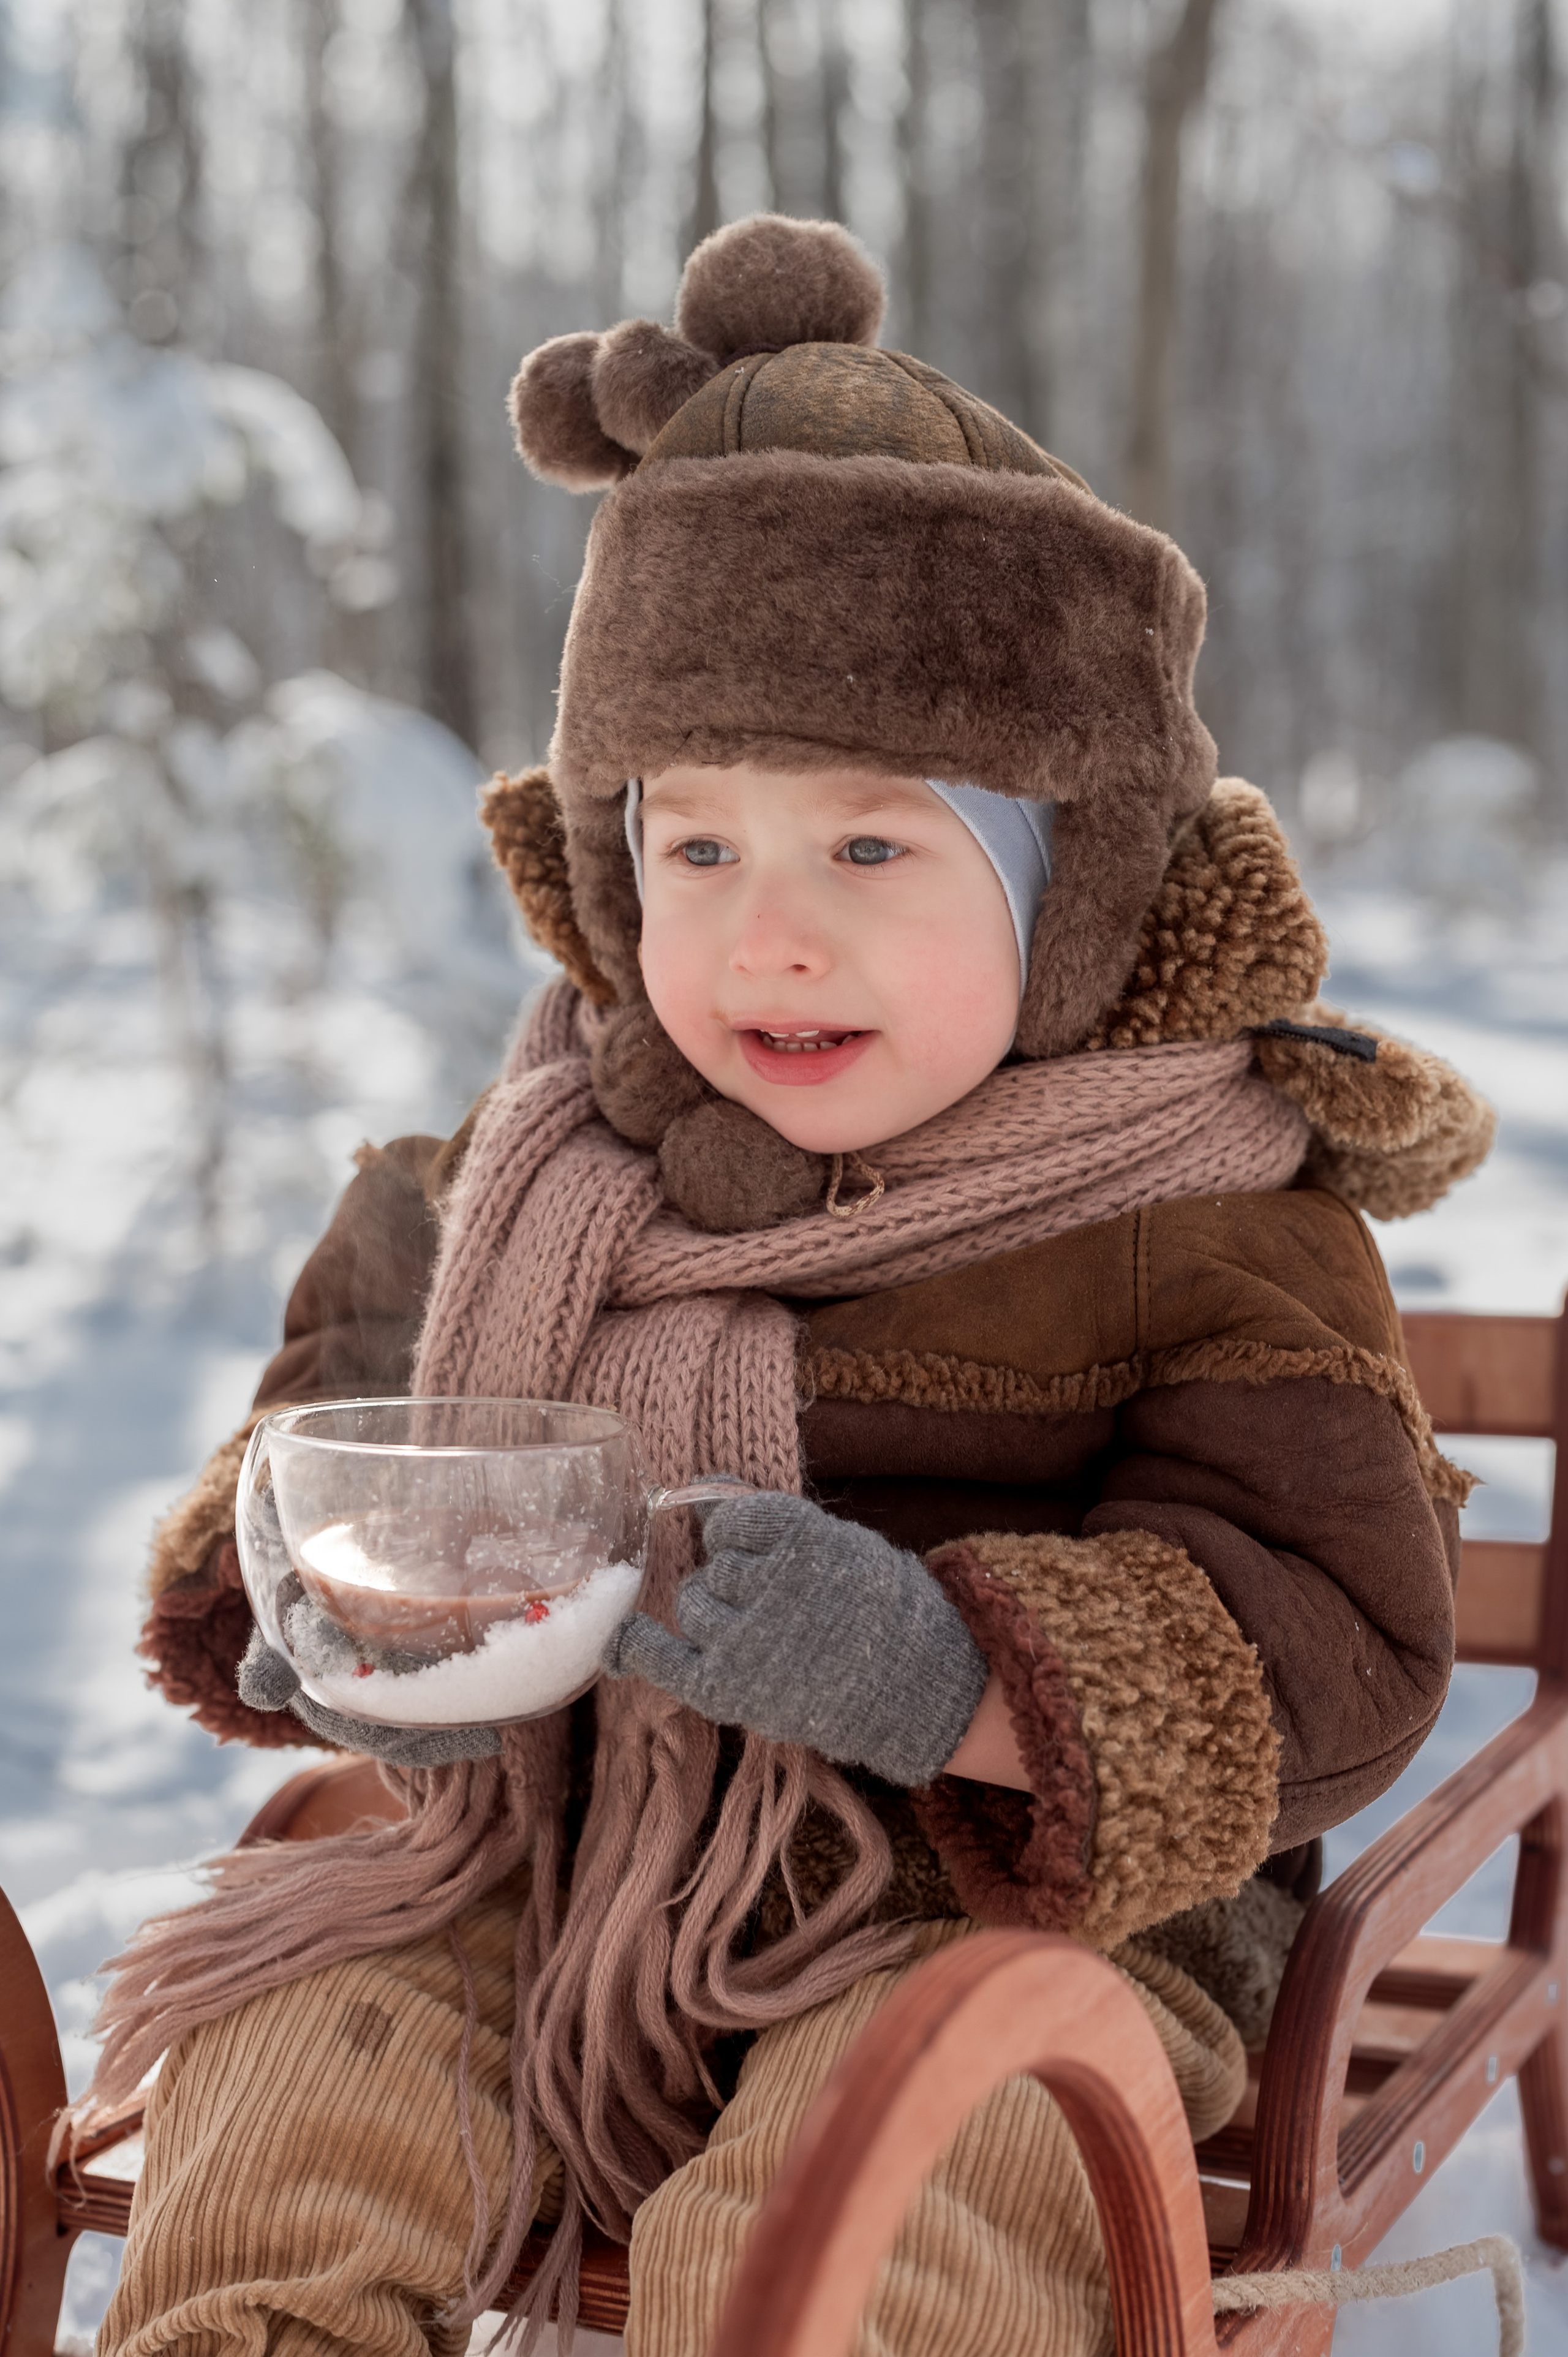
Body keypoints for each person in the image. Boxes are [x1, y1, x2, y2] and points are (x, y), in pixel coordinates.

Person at [97, 214, 1491, 2357]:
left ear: (1069, 892)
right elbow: (338, 1415)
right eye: (698, 846)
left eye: (872, 848)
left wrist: (946, 1670)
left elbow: (1342, 1639)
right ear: (604, 859)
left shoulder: (1210, 1216)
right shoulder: (510, 1179)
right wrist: (302, 1593)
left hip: (1023, 1913)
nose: (772, 936)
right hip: (552, 1873)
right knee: (322, 2032)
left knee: (893, 2151)